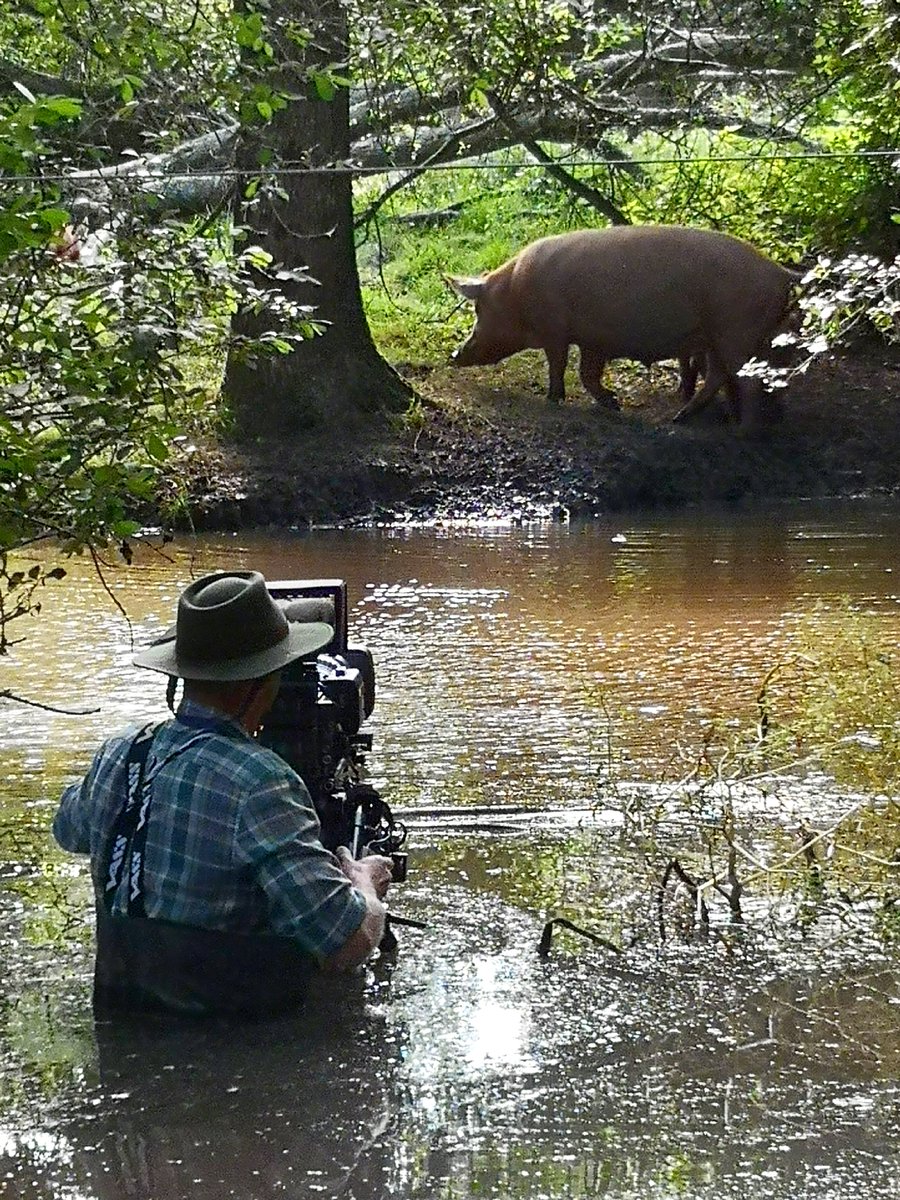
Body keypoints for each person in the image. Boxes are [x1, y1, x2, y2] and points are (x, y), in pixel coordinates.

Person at [52, 569, 394, 1016]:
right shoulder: (261, 782)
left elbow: (68, 830)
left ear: (181, 676)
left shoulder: (121, 751)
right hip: (230, 1035)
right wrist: (366, 885)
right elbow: (344, 944)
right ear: (265, 680)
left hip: (122, 1010)